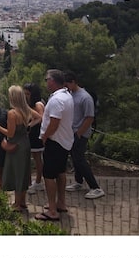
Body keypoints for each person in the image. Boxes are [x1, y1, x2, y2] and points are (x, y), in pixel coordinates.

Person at [36, 69, 74, 221]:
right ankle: (61, 203)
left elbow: (54, 122)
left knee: (49, 175)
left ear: (52, 81)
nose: (45, 82)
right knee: (60, 172)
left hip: (55, 141)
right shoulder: (66, 96)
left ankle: (52, 210)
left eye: (47, 80)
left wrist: (45, 136)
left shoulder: (57, 100)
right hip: (64, 141)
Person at [0, 85, 32, 210]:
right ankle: (22, 201)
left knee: (17, 173)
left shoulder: (12, 113)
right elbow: (39, 117)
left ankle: (17, 204)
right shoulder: (26, 110)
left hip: (16, 146)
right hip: (25, 143)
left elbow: (10, 133)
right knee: (23, 173)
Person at [62, 71, 105, 199]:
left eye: (67, 84)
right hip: (72, 132)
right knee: (75, 158)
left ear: (73, 82)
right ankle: (78, 181)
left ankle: (95, 187)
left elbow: (89, 117)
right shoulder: (71, 94)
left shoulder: (85, 97)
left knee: (80, 159)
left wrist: (79, 133)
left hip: (80, 133)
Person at [24, 82, 45, 194]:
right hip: (31, 134)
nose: (26, 96)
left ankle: (38, 182)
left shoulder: (38, 104)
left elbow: (41, 118)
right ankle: (31, 182)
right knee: (32, 158)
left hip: (36, 134)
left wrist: (29, 125)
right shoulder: (31, 104)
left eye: (28, 94)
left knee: (37, 159)